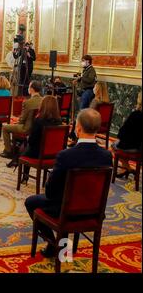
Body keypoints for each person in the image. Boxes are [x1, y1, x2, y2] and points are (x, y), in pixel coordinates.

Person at [24, 108, 112, 257]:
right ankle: (61, 246)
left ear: (78, 128)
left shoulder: (66, 155)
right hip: (94, 212)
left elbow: (50, 191)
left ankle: (55, 244)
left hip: (65, 212)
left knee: (30, 202)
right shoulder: (107, 156)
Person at [7, 96, 62, 178]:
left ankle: (23, 171)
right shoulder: (59, 122)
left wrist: (29, 138)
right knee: (27, 146)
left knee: (27, 145)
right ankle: (16, 160)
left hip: (38, 154)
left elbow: (32, 141)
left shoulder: (39, 121)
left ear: (43, 106)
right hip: (54, 154)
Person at [1, 81, 43, 159]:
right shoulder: (43, 100)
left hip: (27, 128)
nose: (28, 88)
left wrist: (18, 121)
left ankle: (8, 151)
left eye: (29, 87)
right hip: (39, 129)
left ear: (32, 89)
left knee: (5, 128)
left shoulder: (28, 102)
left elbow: (22, 120)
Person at [111, 91, 142, 177]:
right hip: (139, 147)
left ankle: (127, 167)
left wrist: (120, 137)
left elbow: (123, 132)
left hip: (133, 147)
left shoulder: (135, 115)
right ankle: (127, 168)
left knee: (114, 146)